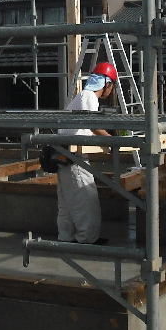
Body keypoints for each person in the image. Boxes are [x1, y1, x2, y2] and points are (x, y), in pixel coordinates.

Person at [54, 62, 116, 245]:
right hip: (74, 158)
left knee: (67, 202)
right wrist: (112, 140)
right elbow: (92, 124)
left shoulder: (82, 97)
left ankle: (66, 238)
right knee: (85, 198)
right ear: (106, 84)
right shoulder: (89, 96)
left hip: (64, 155)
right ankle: (87, 239)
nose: (111, 91)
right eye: (111, 86)